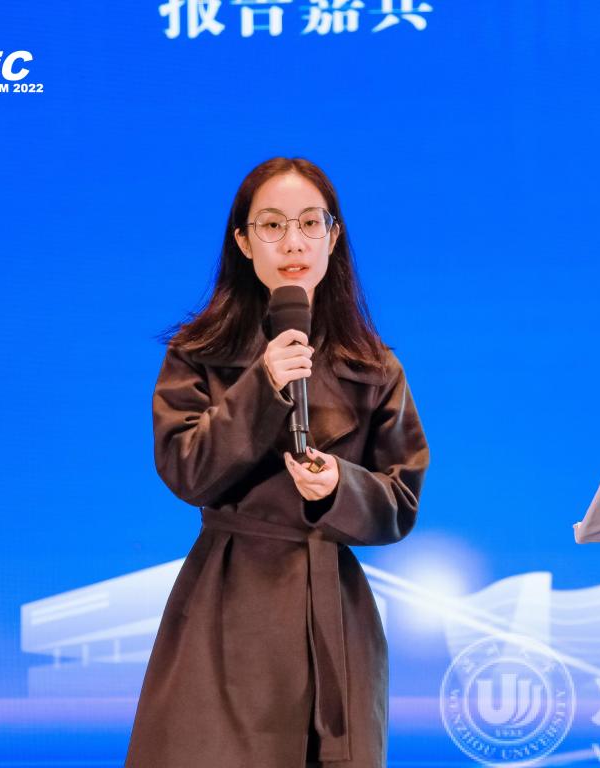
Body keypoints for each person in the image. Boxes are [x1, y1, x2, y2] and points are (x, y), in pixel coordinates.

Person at [125, 157, 429, 768]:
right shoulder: (197, 354)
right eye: (272, 225)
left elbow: (400, 503)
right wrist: (261, 386)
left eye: (310, 223)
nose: (293, 243)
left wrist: (339, 487)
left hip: (333, 617)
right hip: (227, 606)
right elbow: (185, 469)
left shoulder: (376, 367)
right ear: (243, 241)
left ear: (333, 237)